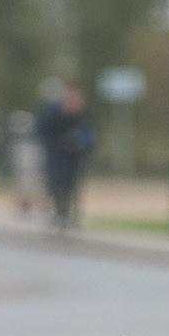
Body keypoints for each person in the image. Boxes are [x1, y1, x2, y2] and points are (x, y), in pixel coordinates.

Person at [37, 85, 95, 232]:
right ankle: (60, 215)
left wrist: (82, 148)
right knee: (57, 185)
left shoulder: (80, 117)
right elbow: (43, 133)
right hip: (57, 157)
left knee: (72, 187)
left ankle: (70, 216)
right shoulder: (52, 115)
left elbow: (89, 136)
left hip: (74, 158)